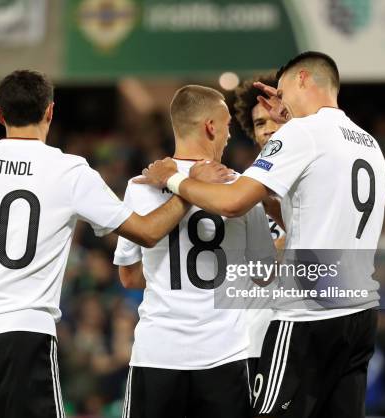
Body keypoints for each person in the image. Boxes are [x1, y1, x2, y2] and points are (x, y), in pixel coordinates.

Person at [0, 70, 193, 418]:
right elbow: (147, 231)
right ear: (50, 111)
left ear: (0, 115)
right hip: (24, 335)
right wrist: (186, 191)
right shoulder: (69, 172)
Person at [138, 51, 385, 418]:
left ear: (302, 79)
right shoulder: (367, 143)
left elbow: (234, 202)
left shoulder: (303, 133)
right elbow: (315, 212)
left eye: (282, 90)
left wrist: (173, 179)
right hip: (359, 313)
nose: (279, 101)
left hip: (308, 317)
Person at [114, 85, 276, 418]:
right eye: (228, 124)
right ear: (211, 127)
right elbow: (263, 274)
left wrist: (165, 268)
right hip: (225, 356)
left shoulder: (140, 186)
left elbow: (129, 278)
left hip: (158, 355)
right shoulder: (242, 188)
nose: (231, 134)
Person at [234, 75, 286, 248]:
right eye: (260, 123)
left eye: (277, 120)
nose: (268, 130)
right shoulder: (247, 187)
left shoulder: (316, 176)